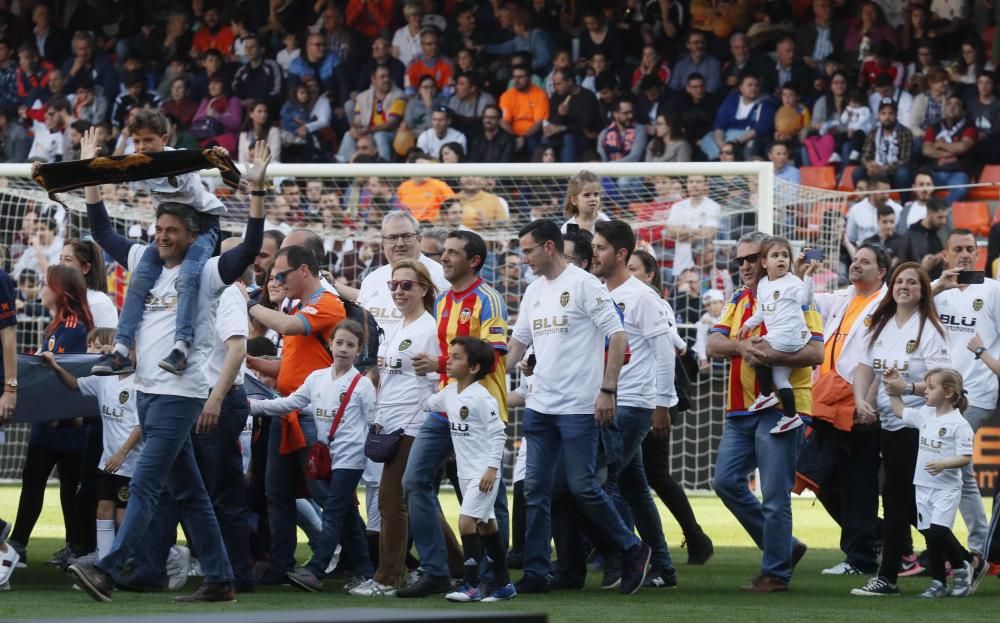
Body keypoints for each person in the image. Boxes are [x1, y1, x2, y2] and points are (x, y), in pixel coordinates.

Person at [66, 135, 269, 604]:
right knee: (191, 495)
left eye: (172, 230)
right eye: (158, 229)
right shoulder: (145, 262)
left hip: (182, 395)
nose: (162, 236)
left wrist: (255, 193)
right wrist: (93, 176)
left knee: (145, 483)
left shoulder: (210, 272)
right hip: (147, 391)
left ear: (193, 235)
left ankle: (110, 568)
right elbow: (101, 232)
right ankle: (220, 579)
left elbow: (252, 245)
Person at [506, 218, 652, 596]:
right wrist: (483, 375)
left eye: (528, 250)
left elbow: (617, 337)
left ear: (549, 247)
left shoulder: (585, 285)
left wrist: (608, 390)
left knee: (584, 486)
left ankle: (634, 550)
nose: (524, 258)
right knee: (535, 490)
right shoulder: (534, 291)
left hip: (578, 407)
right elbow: (518, 345)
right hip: (540, 406)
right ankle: (537, 572)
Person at [707, 231, 823, 592]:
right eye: (739, 260)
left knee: (774, 495)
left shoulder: (798, 295)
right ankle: (784, 548)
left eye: (750, 258)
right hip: (741, 409)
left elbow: (816, 353)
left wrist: (768, 355)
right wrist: (742, 345)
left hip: (781, 409)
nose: (743, 266)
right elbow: (713, 343)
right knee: (725, 482)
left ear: (771, 258)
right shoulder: (740, 298)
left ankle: (776, 573)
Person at [400, 230, 509, 598]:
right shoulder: (444, 299)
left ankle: (494, 575)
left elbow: (494, 353)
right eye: (443, 251)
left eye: (451, 253)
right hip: (446, 406)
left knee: (485, 499)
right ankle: (437, 570)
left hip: (479, 410)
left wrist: (440, 361)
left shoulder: (488, 298)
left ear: (473, 260)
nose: (443, 258)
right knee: (414, 481)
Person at [90, 109, 227, 378]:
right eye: (137, 142)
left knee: (187, 276)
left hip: (201, 227)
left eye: (148, 141)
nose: (142, 148)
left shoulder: (179, 162)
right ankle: (120, 351)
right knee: (139, 278)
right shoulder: (138, 165)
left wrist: (219, 160)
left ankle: (181, 348)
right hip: (168, 232)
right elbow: (114, 174)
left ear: (164, 138)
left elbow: (196, 162)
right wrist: (91, 166)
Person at [244, 243, 348, 584]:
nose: (277, 281)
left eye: (281, 274)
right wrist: (258, 365)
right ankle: (281, 565)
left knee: (326, 493)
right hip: (287, 410)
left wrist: (247, 305)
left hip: (311, 415)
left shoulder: (327, 304)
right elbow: (295, 365)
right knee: (278, 492)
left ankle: (359, 563)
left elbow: (290, 327)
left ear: (303, 270)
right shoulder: (303, 305)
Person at [252, 320, 376, 593]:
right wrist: (253, 407)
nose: (343, 349)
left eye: (350, 345)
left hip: (349, 459)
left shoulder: (362, 385)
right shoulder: (316, 378)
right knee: (346, 515)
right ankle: (366, 571)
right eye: (340, 342)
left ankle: (316, 570)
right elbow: (290, 403)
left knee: (332, 512)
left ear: (359, 350)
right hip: (327, 456)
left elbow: (372, 422)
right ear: (331, 344)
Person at [850, 263, 950, 597]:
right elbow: (865, 367)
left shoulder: (930, 329)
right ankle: (961, 561)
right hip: (888, 425)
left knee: (897, 501)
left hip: (919, 427)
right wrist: (861, 400)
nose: (904, 286)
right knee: (905, 504)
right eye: (899, 281)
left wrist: (907, 388)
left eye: (912, 282)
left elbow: (942, 385)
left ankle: (888, 576)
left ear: (924, 291)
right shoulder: (880, 324)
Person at [591, 219, 679, 587]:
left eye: (600, 248)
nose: (593, 254)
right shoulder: (597, 292)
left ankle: (625, 557)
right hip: (611, 399)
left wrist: (661, 404)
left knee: (599, 479)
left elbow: (665, 350)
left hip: (633, 401)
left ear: (621, 254)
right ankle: (662, 566)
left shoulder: (643, 296)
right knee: (633, 487)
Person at [349, 260, 440, 597]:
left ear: (424, 289)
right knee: (418, 501)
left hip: (414, 423)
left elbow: (437, 379)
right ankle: (457, 567)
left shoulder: (429, 329)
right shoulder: (401, 325)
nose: (399, 291)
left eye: (407, 285)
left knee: (391, 500)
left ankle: (387, 578)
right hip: (390, 421)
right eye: (394, 285)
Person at [808, 242, 888, 577]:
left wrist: (869, 399)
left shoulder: (888, 304)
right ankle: (879, 537)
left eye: (865, 262)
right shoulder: (842, 297)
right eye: (855, 260)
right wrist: (802, 274)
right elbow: (805, 300)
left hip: (861, 403)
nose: (856, 265)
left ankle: (861, 558)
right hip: (827, 400)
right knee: (819, 477)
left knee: (859, 483)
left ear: (881, 271)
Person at [8, 265, 94, 568]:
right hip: (59, 424)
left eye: (46, 284)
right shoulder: (61, 324)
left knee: (41, 484)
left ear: (60, 290)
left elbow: (59, 373)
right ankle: (73, 545)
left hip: (61, 425)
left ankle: (19, 546)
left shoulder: (71, 327)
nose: (41, 290)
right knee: (58, 487)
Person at [418, 337, 513, 603]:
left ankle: (470, 584)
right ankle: (504, 584)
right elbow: (427, 403)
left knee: (466, 522)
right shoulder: (450, 393)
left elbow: (498, 434)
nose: (449, 360)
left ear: (473, 368)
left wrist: (492, 469)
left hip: (483, 475)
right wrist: (418, 378)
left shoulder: (483, 398)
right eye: (450, 355)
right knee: (486, 526)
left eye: (457, 357)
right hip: (465, 472)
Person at [40, 329, 140, 562]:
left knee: (123, 516)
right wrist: (56, 367)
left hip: (130, 462)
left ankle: (142, 561)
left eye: (130, 348)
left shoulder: (140, 383)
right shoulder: (104, 378)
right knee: (103, 509)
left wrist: (122, 453)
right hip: (107, 461)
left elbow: (141, 426)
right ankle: (104, 563)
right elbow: (75, 385)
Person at [929, 230, 996, 577]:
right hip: (939, 396)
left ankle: (973, 549)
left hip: (977, 395)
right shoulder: (938, 292)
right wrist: (936, 284)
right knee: (958, 470)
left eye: (971, 249)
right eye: (958, 249)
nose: (966, 255)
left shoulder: (993, 290)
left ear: (979, 253)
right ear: (946, 254)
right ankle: (974, 548)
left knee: (953, 468)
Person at [883, 367, 975, 598]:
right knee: (929, 535)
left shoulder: (959, 424)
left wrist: (944, 464)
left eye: (931, 387)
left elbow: (966, 457)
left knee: (938, 532)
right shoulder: (925, 414)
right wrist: (893, 389)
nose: (926, 391)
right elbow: (900, 411)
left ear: (948, 392)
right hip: (923, 486)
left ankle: (961, 567)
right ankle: (938, 583)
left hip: (946, 488)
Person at [739, 238, 818, 434]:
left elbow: (805, 300)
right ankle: (791, 416)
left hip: (790, 335)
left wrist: (808, 277)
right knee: (781, 379)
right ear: (764, 263)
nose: (781, 259)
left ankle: (766, 394)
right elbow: (762, 311)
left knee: (755, 350)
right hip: (783, 338)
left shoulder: (793, 281)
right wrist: (748, 324)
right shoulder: (764, 283)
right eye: (775, 256)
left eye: (785, 255)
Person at [666, 175, 721, 276]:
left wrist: (682, 233)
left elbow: (708, 235)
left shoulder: (713, 206)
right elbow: (670, 233)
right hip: (680, 266)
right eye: (691, 182)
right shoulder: (678, 206)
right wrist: (697, 231)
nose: (694, 185)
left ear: (705, 185)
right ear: (687, 184)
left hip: (704, 268)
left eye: (698, 182)